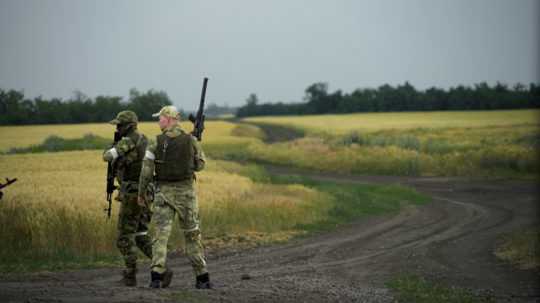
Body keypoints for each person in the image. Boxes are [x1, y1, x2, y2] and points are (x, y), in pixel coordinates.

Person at [138, 105, 212, 289]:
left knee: (161, 236)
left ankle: (156, 277)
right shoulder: (191, 140)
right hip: (187, 196)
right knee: (192, 235)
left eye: (160, 118)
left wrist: (141, 193)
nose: (158, 121)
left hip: (163, 194)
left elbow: (146, 171)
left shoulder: (155, 142)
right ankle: (202, 278)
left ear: (169, 119)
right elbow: (200, 166)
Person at [102, 110, 153, 286]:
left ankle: (130, 275)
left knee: (124, 237)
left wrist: (112, 146)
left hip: (132, 194)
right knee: (141, 235)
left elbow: (107, 156)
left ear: (129, 126)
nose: (117, 127)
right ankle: (162, 268)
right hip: (146, 193)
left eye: (120, 125)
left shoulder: (129, 140)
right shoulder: (145, 139)